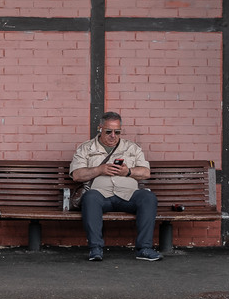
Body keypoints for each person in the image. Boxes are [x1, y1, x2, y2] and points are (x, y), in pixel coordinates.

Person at [68, 112, 160, 262]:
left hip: (128, 195)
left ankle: (144, 248)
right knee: (90, 197)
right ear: (100, 129)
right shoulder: (86, 148)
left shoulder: (132, 147)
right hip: (101, 195)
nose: (113, 135)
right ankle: (95, 249)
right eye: (108, 131)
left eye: (117, 132)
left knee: (148, 197)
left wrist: (128, 171)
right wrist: (99, 170)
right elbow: (77, 175)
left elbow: (146, 172)